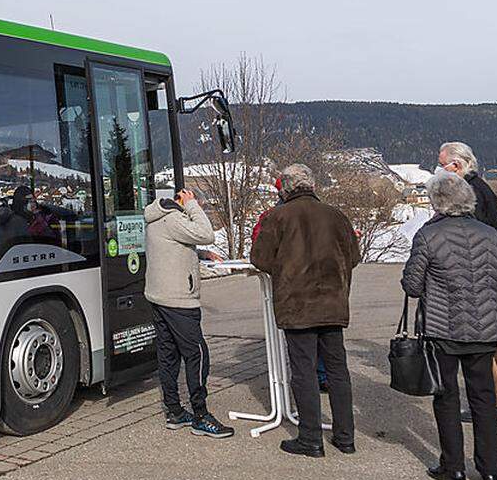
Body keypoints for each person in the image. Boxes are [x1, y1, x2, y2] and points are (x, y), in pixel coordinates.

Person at [402, 171, 497, 480]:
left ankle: (453, 468)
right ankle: (491, 471)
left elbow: (412, 286)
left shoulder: (428, 235)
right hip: (485, 328)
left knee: (446, 397)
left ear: (436, 202)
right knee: (484, 398)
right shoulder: (489, 234)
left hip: (443, 328)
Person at [250, 163, 359, 458]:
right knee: (337, 370)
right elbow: (354, 256)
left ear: (285, 188)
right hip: (333, 304)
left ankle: (310, 438)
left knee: (304, 371)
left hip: (297, 306)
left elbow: (259, 258)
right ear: (312, 185)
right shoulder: (337, 216)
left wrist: (284, 270)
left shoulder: (278, 217)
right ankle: (345, 436)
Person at [438, 141, 497, 420]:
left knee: (481, 339)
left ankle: (495, 403)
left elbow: (470, 238)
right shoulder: (481, 186)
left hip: (478, 275)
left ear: (457, 166)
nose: (440, 170)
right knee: (490, 339)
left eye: (442, 165)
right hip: (491, 273)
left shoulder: (469, 192)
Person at [143, 187, 232, 438]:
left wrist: (201, 255)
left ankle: (174, 411)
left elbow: (172, 247)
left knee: (168, 354)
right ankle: (201, 415)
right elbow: (206, 234)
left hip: (159, 296)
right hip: (179, 299)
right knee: (197, 353)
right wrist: (193, 206)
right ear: (180, 201)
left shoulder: (156, 217)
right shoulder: (173, 218)